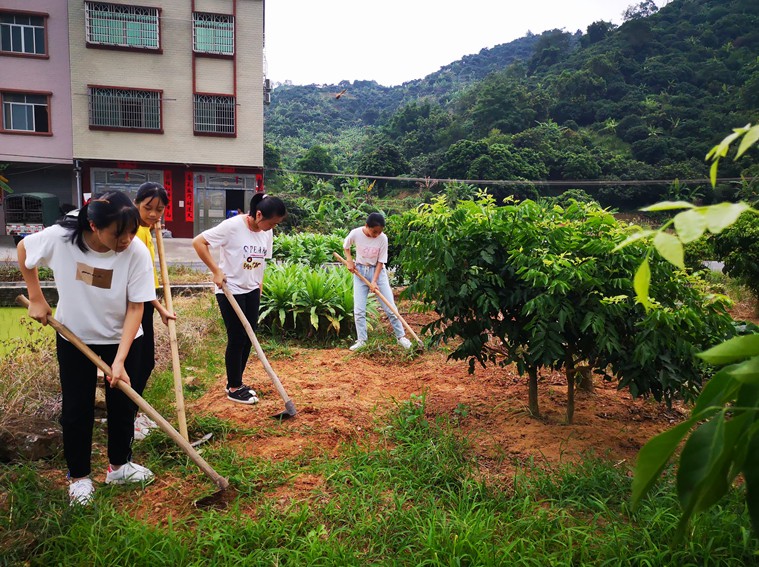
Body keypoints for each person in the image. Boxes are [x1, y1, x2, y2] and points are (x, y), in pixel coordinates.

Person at [17, 191, 157, 506]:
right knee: (76, 410)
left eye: (132, 231)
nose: (127, 240)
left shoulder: (135, 251)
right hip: (74, 336)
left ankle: (119, 466)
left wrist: (119, 362)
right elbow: (24, 248)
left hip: (122, 338)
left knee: (123, 406)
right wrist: (36, 296)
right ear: (93, 226)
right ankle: (79, 478)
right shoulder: (60, 238)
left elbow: (136, 308)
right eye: (118, 234)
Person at [192, 193, 287, 405]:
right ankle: (234, 388)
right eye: (271, 223)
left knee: (249, 338)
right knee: (237, 338)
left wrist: (259, 286)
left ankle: (236, 382)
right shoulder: (232, 226)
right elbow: (199, 242)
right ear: (259, 214)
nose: (272, 228)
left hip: (252, 289)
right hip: (230, 289)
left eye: (276, 225)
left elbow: (261, 261)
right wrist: (216, 271)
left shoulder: (265, 232)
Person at [133, 182, 176, 440]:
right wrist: (159, 306)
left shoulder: (146, 230)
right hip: (135, 305)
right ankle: (130, 417)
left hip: (146, 302)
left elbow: (147, 276)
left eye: (159, 210)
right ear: (136, 203)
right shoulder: (133, 231)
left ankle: (136, 412)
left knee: (145, 361)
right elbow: (136, 280)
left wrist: (157, 305)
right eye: (148, 208)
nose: (153, 214)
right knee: (138, 362)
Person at [343, 212, 412, 351]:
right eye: (374, 231)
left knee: (390, 307)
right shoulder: (355, 233)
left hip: (378, 273)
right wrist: (350, 261)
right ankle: (362, 340)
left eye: (379, 232)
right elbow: (346, 247)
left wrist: (374, 281)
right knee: (359, 310)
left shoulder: (383, 238)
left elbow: (381, 261)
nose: (376, 235)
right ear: (366, 226)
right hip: (360, 272)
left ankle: (401, 337)